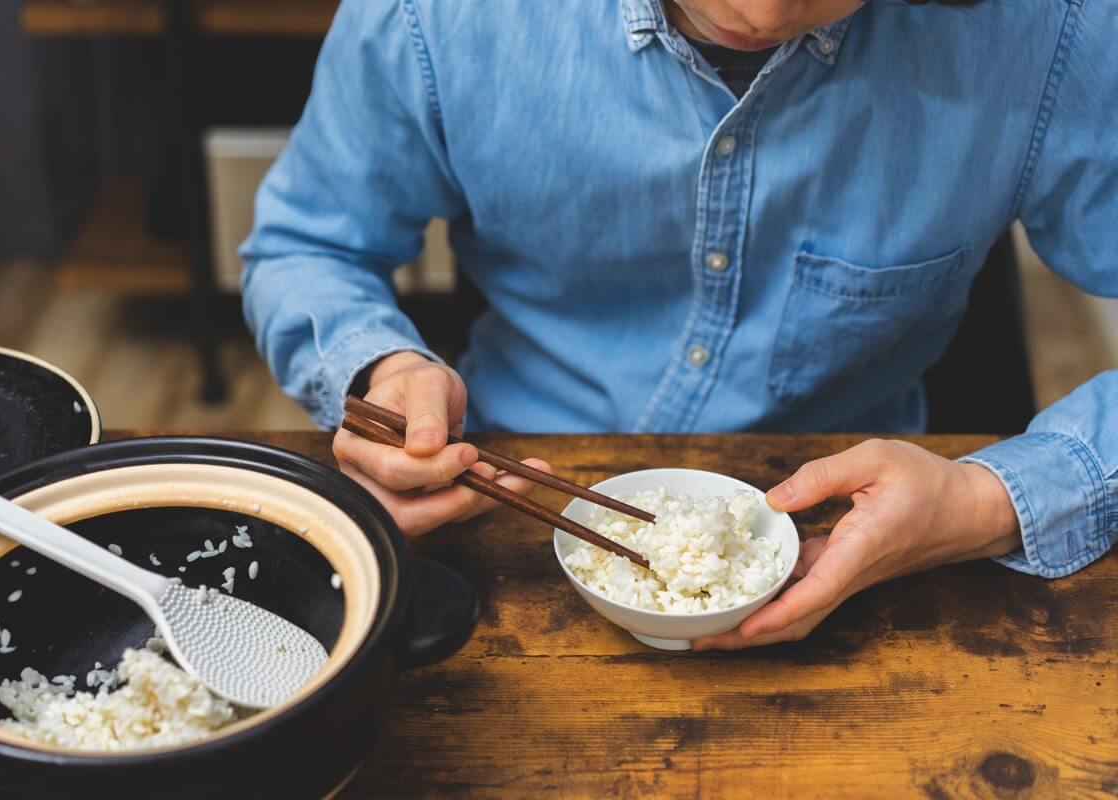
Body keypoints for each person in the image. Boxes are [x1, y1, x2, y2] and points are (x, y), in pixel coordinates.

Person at [241, 0, 1118, 650]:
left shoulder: (1049, 29)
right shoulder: (441, 16)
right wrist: (377, 369)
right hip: (500, 518)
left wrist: (985, 499)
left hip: (875, 555)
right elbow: (305, 245)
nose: (761, 10)